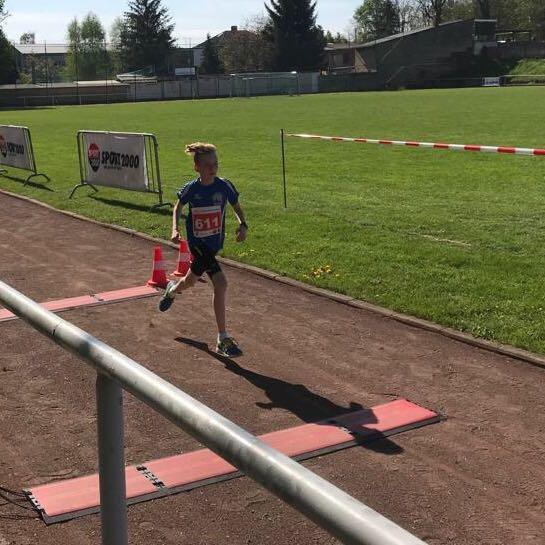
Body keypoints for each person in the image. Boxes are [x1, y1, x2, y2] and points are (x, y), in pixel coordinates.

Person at [159, 142, 248, 358]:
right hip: (198, 245)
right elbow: (178, 206)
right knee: (221, 283)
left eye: (215, 164)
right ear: (197, 167)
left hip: (213, 245)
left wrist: (243, 225)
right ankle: (222, 339)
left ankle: (172, 290)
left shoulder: (224, 186)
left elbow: (236, 207)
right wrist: (174, 228)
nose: (213, 168)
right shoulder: (192, 188)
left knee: (190, 281)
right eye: (208, 165)